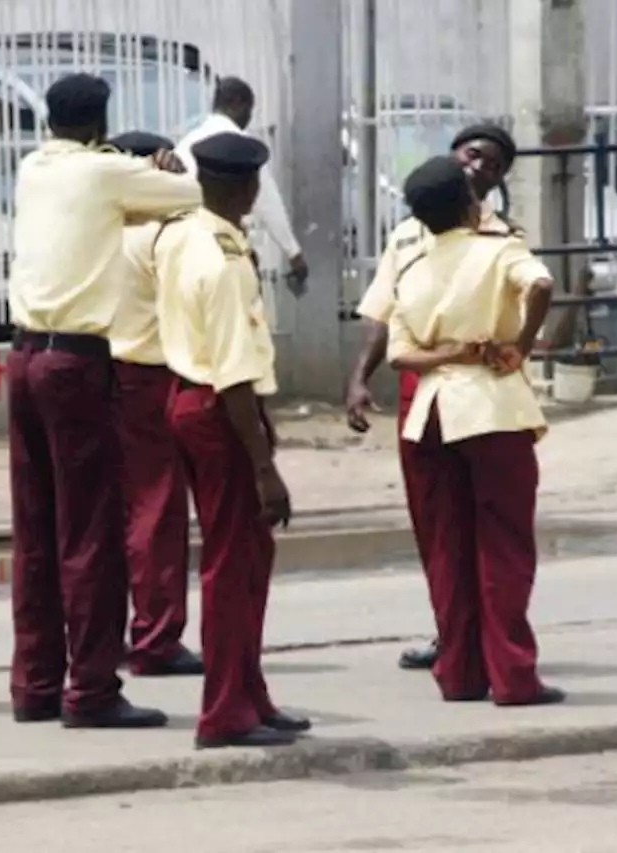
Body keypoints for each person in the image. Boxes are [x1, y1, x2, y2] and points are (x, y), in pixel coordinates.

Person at [8, 74, 202, 729]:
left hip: (24, 354)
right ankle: (90, 689)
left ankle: (35, 683)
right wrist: (159, 166)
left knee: (35, 528)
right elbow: (192, 193)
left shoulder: (33, 166)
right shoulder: (104, 170)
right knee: (90, 531)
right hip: (76, 361)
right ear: (100, 122)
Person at [345, 123, 522, 672]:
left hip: (480, 390)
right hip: (418, 387)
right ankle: (453, 636)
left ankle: (494, 645)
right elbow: (383, 314)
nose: (479, 167)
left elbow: (527, 301)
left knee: (490, 523)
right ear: (452, 155)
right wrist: (358, 378)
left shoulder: (502, 237)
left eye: (493, 164)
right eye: (473, 154)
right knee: (438, 522)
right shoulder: (407, 233)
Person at [388, 154, 562, 707]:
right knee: (503, 544)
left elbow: (400, 355)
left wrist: (449, 351)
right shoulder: (497, 248)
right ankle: (513, 676)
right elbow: (540, 284)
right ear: (470, 204)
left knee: (447, 547)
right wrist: (524, 343)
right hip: (490, 405)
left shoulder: (410, 265)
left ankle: (459, 671)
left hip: (431, 410)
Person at [157, 131, 310, 749]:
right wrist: (265, 468)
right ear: (243, 186)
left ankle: (248, 693)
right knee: (232, 563)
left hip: (200, 399)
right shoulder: (219, 260)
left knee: (248, 557)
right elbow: (234, 370)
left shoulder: (185, 232)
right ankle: (225, 712)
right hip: (221, 408)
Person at [105, 130, 204, 678]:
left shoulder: (94, 227)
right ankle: (156, 636)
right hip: (150, 373)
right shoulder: (160, 235)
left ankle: (109, 631)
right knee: (157, 511)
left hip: (98, 369)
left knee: (109, 513)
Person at [175, 76, 309, 293]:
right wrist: (293, 252)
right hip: (224, 248)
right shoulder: (240, 147)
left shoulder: (186, 143)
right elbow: (267, 202)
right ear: (238, 104)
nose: (249, 118)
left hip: (184, 249)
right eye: (249, 110)